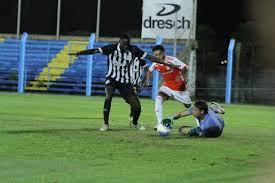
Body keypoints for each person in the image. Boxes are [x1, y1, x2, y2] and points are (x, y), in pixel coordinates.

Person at [69, 34, 174, 131]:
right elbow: (95, 51)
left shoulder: (134, 50)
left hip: (125, 82)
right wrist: (79, 53)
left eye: (127, 44)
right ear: (119, 42)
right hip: (112, 78)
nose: (126, 47)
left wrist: (165, 63)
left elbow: (149, 57)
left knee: (137, 107)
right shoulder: (111, 48)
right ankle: (106, 124)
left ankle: (134, 122)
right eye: (124, 44)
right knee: (108, 96)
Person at [143, 45, 192, 130]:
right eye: (156, 55)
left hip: (179, 88)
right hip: (167, 86)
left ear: (164, 52)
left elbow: (185, 67)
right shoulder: (156, 62)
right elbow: (149, 71)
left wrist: (180, 76)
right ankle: (160, 123)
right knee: (158, 99)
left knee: (188, 105)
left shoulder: (172, 60)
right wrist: (147, 81)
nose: (158, 56)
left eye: (159, 54)